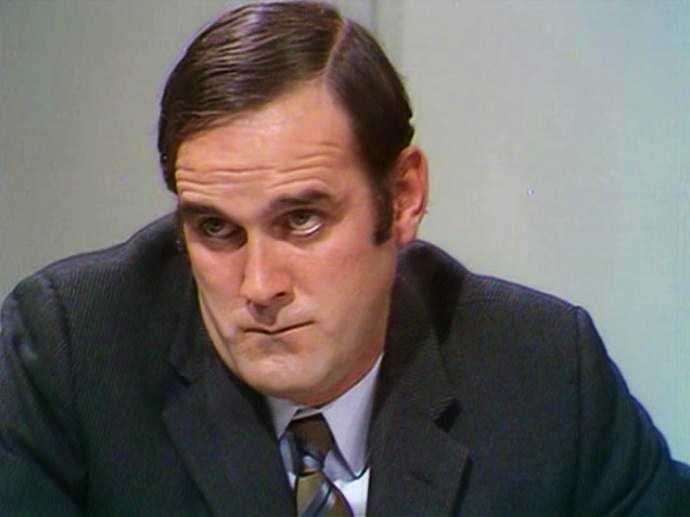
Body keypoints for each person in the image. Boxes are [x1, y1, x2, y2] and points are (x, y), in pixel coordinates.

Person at [1, 1, 688, 515]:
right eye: (215, 228)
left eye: (302, 220)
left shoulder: (542, 371)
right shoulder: (70, 353)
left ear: (404, 197)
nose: (259, 286)